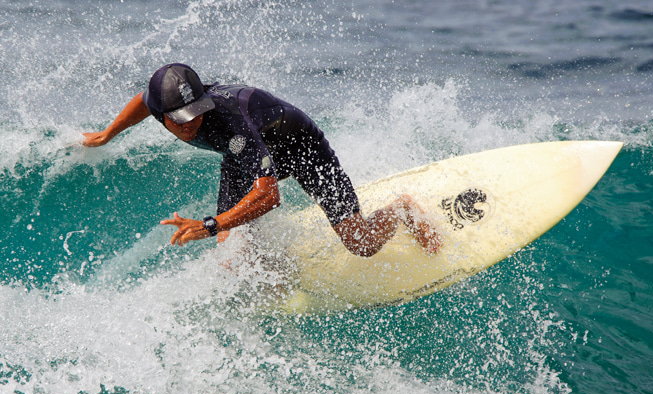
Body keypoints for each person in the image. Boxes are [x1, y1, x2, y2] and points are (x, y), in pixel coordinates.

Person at [83, 63, 441, 258]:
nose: (192, 123)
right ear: (163, 116)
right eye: (181, 119)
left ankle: (403, 211)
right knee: (232, 248)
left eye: (197, 113)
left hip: (301, 147)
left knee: (359, 242)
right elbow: (145, 100)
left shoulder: (231, 123)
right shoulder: (162, 103)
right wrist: (107, 134)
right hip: (245, 154)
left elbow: (269, 197)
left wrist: (211, 224)